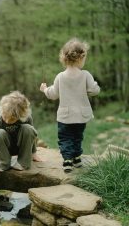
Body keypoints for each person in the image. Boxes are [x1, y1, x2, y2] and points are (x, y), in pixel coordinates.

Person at [39, 38, 100, 172]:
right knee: (77, 136)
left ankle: (67, 160)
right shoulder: (85, 75)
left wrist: (44, 89)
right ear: (81, 58)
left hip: (65, 116)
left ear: (64, 58)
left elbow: (53, 94)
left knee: (65, 137)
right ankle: (77, 158)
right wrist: (87, 89)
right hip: (81, 115)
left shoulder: (60, 76)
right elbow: (95, 90)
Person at [0, 91, 41, 185]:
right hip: (5, 149)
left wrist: (33, 152)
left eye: (12, 119)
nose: (7, 120)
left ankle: (22, 163)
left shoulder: (27, 118)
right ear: (2, 110)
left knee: (29, 129)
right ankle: (4, 163)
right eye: (5, 116)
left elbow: (32, 136)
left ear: (21, 115)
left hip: (20, 148)